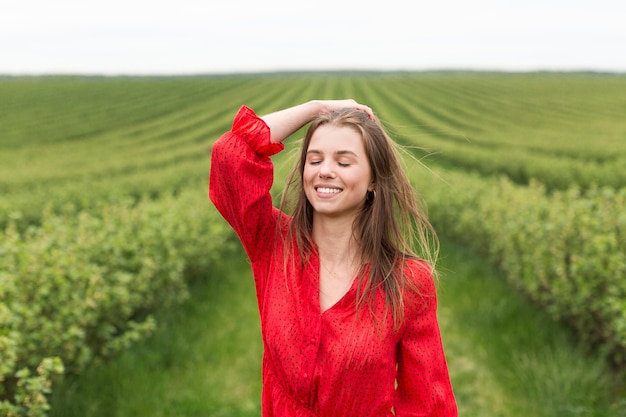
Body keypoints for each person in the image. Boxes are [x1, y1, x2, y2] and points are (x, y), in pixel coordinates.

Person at [209, 99, 457, 416]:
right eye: (314, 160)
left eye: (343, 162)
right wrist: (317, 108)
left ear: (374, 182)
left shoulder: (407, 282)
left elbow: (428, 403)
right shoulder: (274, 245)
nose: (325, 171)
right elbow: (230, 155)